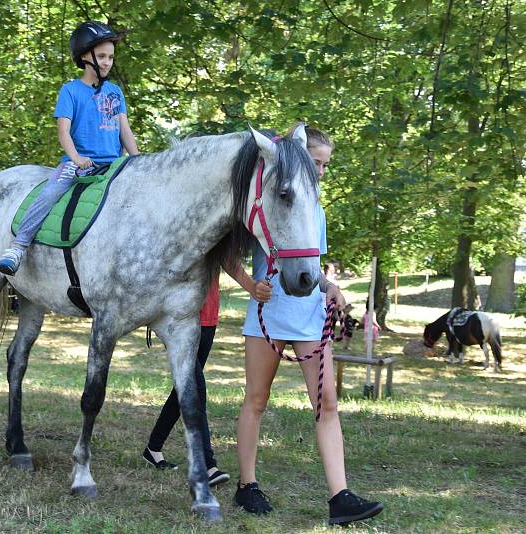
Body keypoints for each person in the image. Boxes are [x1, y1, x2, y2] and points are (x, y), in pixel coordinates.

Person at [233, 127, 384, 526]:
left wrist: (332, 287)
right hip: (269, 311)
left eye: (323, 165)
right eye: (315, 162)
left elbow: (312, 269)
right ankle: (246, 486)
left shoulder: (315, 208)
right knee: (257, 399)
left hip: (309, 315)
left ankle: (340, 496)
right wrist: (251, 285)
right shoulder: (264, 201)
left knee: (327, 403)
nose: (319, 171)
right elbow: (227, 256)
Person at [0, 21, 139, 275]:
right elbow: (63, 130)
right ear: (85, 56)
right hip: (78, 162)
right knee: (51, 192)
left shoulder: (115, 93)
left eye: (111, 57)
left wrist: (138, 160)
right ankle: (17, 247)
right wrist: (76, 158)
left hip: (114, 164)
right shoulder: (70, 91)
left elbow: (124, 130)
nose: (107, 62)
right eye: (102, 56)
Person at [143, 265, 271, 487]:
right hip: (175, 316)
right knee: (194, 387)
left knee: (184, 385)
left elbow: (228, 259)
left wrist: (252, 287)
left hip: (207, 313)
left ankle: (153, 448)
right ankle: (206, 464)